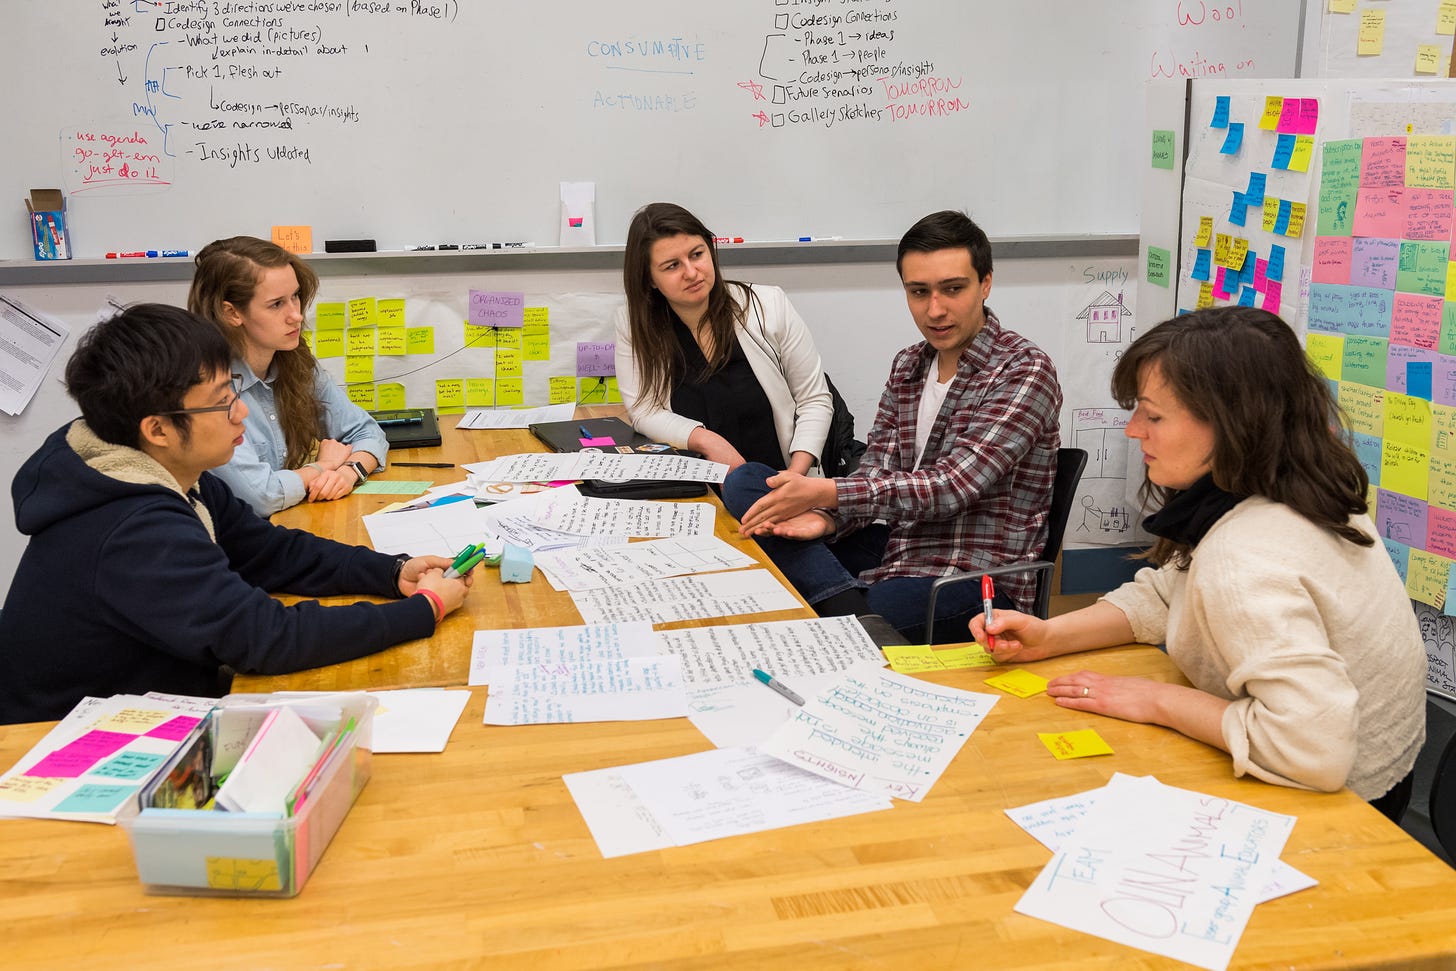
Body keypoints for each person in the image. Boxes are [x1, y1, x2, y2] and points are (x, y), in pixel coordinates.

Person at [973, 306, 1426, 819]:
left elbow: (1312, 752)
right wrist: (1050, 635)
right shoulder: (1301, 481)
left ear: (1231, 423)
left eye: (1153, 415)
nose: (1132, 430)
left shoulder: (1246, 554)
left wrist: (1157, 701)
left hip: (1344, 806)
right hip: (1390, 765)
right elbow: (1172, 590)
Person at [0, 304, 473, 725]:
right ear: (158, 429)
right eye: (223, 400)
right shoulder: (133, 527)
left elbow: (268, 551)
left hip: (153, 705)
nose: (242, 412)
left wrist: (393, 573)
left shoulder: (171, 469)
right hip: (68, 746)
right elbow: (265, 638)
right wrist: (423, 610)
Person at [729, 210, 1062, 643]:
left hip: (976, 580)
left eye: (953, 289)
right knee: (746, 483)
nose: (935, 310)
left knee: (848, 603)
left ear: (986, 283)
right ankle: (847, 607)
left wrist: (828, 494)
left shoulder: (1024, 369)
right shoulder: (909, 364)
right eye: (918, 292)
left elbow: (951, 487)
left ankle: (846, 610)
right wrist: (830, 520)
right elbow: (877, 473)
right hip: (896, 552)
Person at [614, 202, 834, 474]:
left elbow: (814, 400)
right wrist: (707, 441)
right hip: (700, 489)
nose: (692, 272)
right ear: (650, 279)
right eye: (672, 266)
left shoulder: (768, 305)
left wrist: (795, 478)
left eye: (697, 254)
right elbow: (643, 410)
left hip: (782, 479)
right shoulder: (636, 325)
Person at [188, 235, 389, 516]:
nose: (296, 315)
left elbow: (367, 431)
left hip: (290, 529)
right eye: (276, 304)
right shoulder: (206, 387)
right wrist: (323, 467)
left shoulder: (295, 361)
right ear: (231, 312)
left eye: (295, 296)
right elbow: (260, 496)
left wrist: (348, 472)